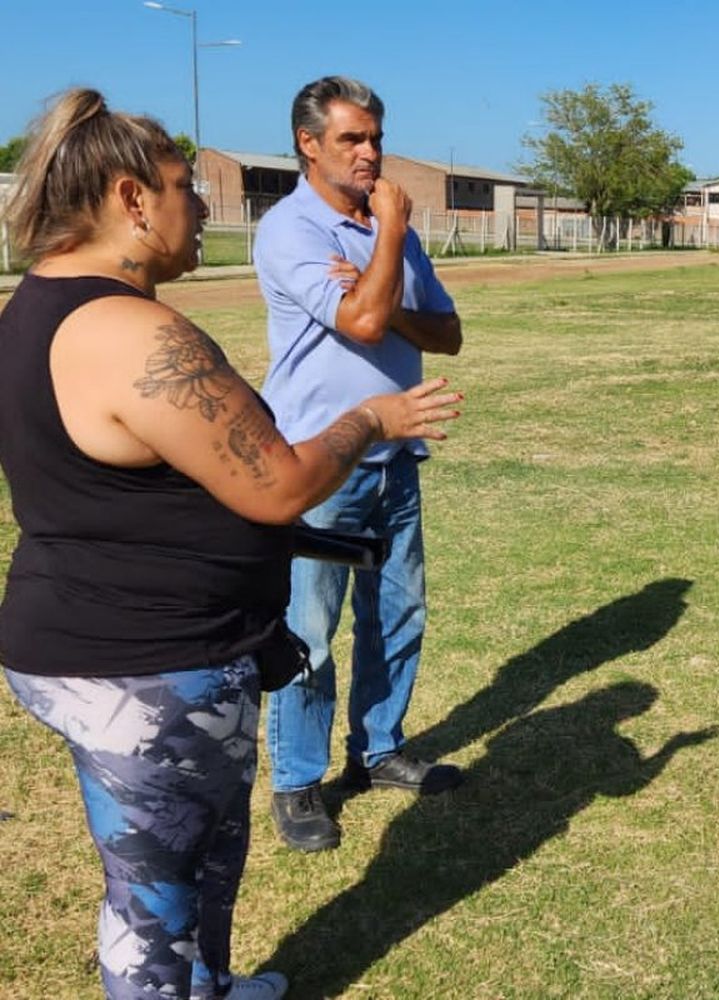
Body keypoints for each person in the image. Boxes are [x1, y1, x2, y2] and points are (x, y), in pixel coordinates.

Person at [0, 89, 460, 1000]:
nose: (204, 204)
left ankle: (210, 984)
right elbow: (280, 481)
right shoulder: (131, 330)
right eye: (184, 187)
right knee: (153, 898)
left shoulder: (36, 308)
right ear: (134, 200)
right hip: (148, 660)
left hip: (125, 643)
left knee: (202, 851)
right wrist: (370, 415)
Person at [253, 76, 465, 853]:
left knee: (398, 615)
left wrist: (386, 254)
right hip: (318, 464)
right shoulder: (291, 231)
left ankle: (380, 749)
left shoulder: (389, 231)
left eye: (375, 136)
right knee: (308, 629)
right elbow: (366, 318)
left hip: (395, 459)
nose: (372, 152)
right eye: (352, 139)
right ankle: (298, 781)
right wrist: (388, 238)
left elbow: (445, 333)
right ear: (309, 144)